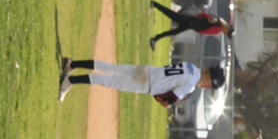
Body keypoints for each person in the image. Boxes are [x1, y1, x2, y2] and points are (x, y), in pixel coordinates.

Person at [60, 53, 205, 107]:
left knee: (111, 68)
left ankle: (72, 64)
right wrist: (164, 100)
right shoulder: (191, 85)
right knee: (109, 81)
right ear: (209, 81)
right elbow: (167, 102)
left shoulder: (192, 67)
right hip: (147, 84)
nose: (208, 87)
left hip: (150, 71)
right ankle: (69, 81)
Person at [149, 5, 232, 48]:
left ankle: (155, 39)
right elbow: (206, 31)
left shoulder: (219, 21)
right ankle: (155, 5)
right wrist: (199, 31)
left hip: (194, 22)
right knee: (172, 16)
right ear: (227, 28)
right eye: (227, 32)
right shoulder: (218, 29)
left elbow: (205, 16)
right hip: (194, 24)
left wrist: (198, 19)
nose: (225, 34)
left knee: (174, 31)